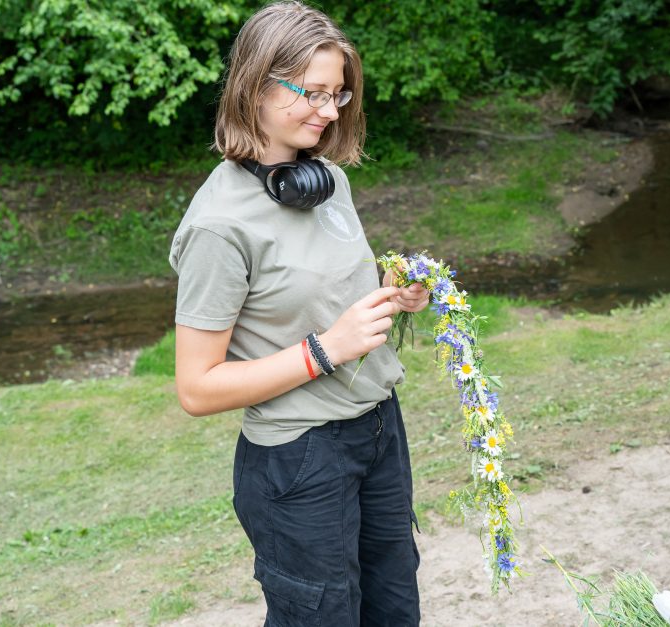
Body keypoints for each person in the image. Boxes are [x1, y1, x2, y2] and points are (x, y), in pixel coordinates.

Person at [168, 2, 428, 624]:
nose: (330, 110)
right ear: (256, 86)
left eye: (338, 94)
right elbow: (196, 389)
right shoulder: (217, 227)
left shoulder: (328, 181)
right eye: (312, 93)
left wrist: (393, 291)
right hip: (299, 459)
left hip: (378, 430)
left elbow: (329, 297)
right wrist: (325, 349)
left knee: (395, 609)